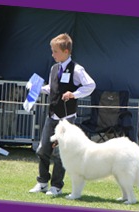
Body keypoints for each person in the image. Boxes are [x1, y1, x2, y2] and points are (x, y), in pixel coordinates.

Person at [29, 33, 96, 196]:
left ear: (66, 52)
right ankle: (42, 182)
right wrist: (36, 88)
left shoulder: (77, 69)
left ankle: (56, 186)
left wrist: (74, 94)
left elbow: (90, 85)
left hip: (66, 119)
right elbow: (53, 88)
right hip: (51, 116)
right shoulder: (54, 68)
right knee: (43, 149)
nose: (53, 54)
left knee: (60, 153)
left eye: (55, 51)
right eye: (52, 51)